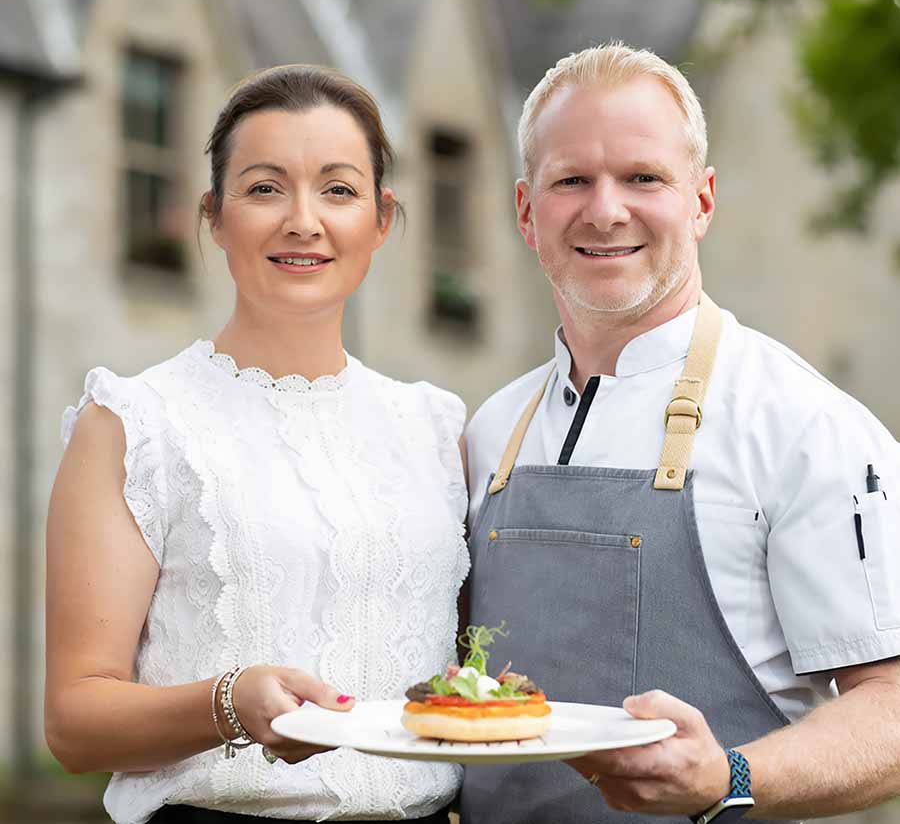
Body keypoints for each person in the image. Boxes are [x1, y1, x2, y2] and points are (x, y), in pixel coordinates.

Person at [461, 43, 900, 824]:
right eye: (572, 180)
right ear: (527, 212)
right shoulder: (488, 432)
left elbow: (891, 708)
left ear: (700, 200)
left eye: (643, 178)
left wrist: (726, 776)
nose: (605, 210)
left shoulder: (803, 426)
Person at [45, 65, 469, 824]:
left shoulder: (438, 430)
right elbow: (75, 725)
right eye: (265, 188)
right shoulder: (135, 422)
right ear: (214, 215)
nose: (303, 220)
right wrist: (228, 704)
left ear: (381, 217)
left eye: (338, 190)